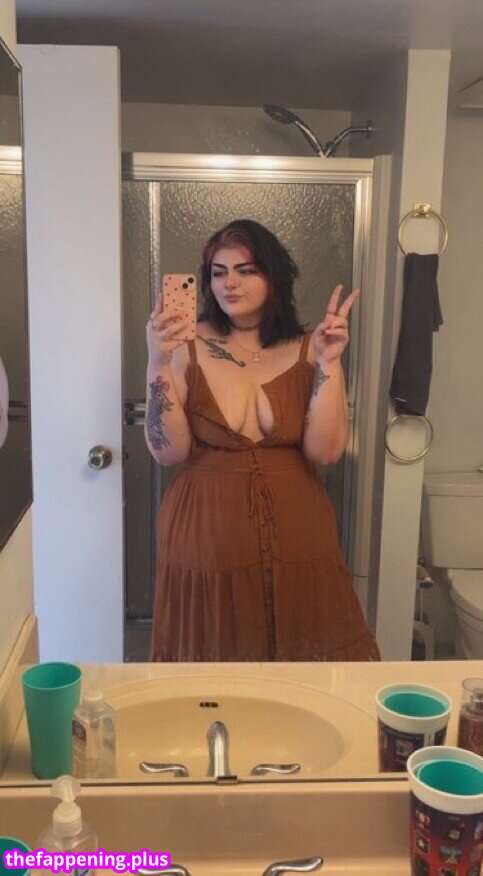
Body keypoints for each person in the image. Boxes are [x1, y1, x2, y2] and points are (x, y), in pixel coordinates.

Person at [145, 219, 380, 662]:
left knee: (306, 664)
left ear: (274, 276)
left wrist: (330, 363)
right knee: (211, 664)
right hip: (206, 531)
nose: (229, 283)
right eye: (218, 272)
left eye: (246, 270)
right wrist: (157, 362)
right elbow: (168, 451)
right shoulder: (184, 346)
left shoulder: (312, 347)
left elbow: (326, 451)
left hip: (299, 529)